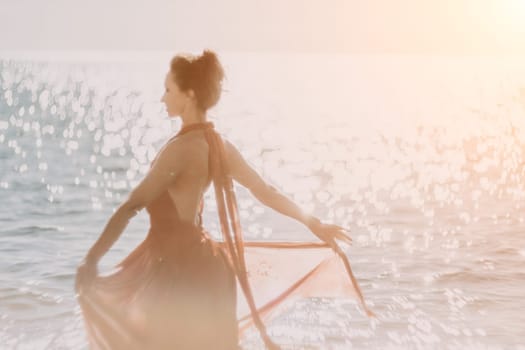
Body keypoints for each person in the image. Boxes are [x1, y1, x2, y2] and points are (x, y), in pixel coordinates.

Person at [75, 49, 373, 350]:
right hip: (209, 269)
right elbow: (264, 191)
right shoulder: (219, 145)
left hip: (181, 273)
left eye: (168, 90)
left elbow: (131, 206)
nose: (162, 98)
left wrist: (92, 259)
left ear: (189, 95)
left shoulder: (179, 150)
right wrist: (315, 224)